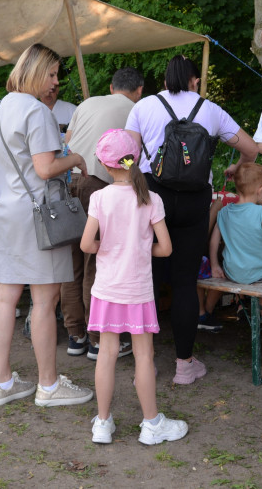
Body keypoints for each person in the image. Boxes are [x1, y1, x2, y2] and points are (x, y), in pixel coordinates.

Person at [125, 54, 258, 385]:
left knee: (148, 279)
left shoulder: (144, 107)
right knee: (185, 282)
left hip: (153, 196)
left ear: (165, 79)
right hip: (195, 200)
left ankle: (146, 364)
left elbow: (127, 155)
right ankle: (184, 365)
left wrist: (138, 184)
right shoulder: (210, 110)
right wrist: (237, 166)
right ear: (194, 80)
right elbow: (252, 149)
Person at [0, 43, 94, 408]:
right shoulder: (36, 111)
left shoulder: (1, 108)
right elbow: (45, 168)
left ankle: (3, 382)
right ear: (34, 72)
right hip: (37, 214)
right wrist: (76, 158)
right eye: (51, 73)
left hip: (1, 210)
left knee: (4, 297)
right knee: (45, 300)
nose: (55, 82)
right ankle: (48, 385)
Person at [80, 129, 186, 445]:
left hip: (107, 289)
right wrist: (138, 248)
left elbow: (86, 244)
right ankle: (151, 424)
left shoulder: (99, 198)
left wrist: (108, 247)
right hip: (138, 291)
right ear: (135, 159)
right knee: (143, 355)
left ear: (104, 163)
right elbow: (165, 248)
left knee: (106, 353)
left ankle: (102, 423)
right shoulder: (151, 198)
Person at [62, 67, 145, 359]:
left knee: (71, 261)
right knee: (94, 262)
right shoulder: (136, 110)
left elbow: (67, 144)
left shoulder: (86, 103)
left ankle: (75, 335)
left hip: (67, 180)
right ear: (139, 90)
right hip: (96, 183)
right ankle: (98, 339)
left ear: (111, 87)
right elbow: (135, 158)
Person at [206, 162, 262, 352]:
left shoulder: (224, 212)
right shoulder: (261, 212)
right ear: (260, 190)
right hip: (261, 273)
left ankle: (208, 313)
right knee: (261, 280)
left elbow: (213, 243)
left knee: (242, 268)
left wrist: (215, 265)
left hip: (232, 272)